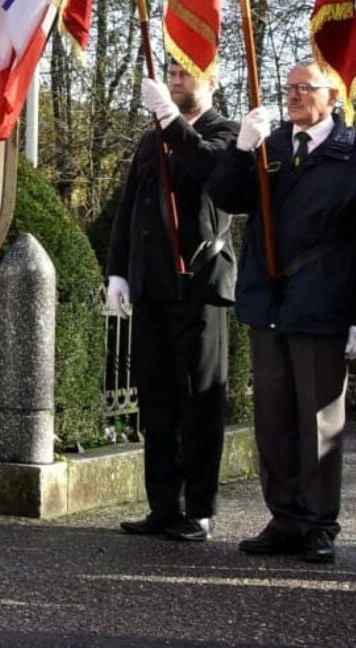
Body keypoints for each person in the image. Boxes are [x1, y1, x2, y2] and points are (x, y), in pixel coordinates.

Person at [209, 60, 356, 565]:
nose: (293, 96)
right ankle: (285, 517)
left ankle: (319, 524)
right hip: (268, 300)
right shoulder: (269, 146)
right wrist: (241, 149)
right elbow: (226, 196)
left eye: (304, 88)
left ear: (332, 97)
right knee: (273, 417)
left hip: (322, 299)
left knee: (318, 419)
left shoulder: (349, 154)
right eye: (289, 89)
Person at [106, 62, 238, 542]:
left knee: (200, 401)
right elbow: (130, 208)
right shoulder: (150, 140)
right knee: (157, 401)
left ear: (213, 83)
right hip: (152, 288)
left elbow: (213, 174)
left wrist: (170, 120)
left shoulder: (228, 132)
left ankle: (198, 509)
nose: (176, 81)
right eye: (173, 73)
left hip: (200, 285)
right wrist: (118, 270)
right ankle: (164, 504)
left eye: (188, 75)